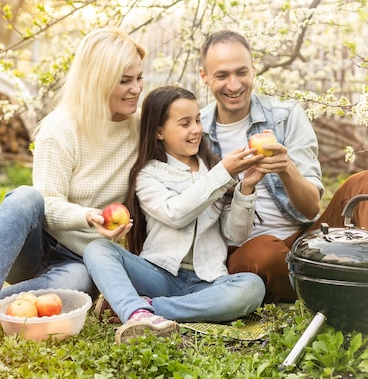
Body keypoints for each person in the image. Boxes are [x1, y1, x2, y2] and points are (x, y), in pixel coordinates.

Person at [197, 29, 368, 342]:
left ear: (254, 69)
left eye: (242, 72)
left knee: (367, 181)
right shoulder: (196, 131)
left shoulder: (286, 117)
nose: (234, 85)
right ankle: (366, 292)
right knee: (262, 253)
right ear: (204, 76)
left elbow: (310, 208)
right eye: (222, 75)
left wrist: (286, 168)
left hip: (309, 240)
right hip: (251, 252)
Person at [0, 28, 146, 352]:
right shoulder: (60, 129)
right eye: (125, 80)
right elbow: (49, 202)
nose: (136, 89)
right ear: (98, 79)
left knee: (76, 287)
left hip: (84, 259)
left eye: (140, 78)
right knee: (26, 196)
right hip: (38, 245)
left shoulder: (140, 128)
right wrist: (88, 216)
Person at [83, 86, 266, 344]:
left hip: (207, 282)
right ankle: (138, 310)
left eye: (198, 120)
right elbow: (176, 213)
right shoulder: (149, 175)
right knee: (97, 248)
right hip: (158, 275)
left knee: (252, 287)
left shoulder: (213, 171)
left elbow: (235, 234)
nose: (196, 130)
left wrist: (246, 187)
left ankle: (145, 309)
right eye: (184, 123)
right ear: (159, 131)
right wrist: (223, 174)